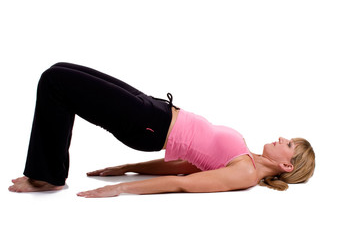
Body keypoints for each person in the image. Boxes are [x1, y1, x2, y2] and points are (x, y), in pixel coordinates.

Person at [8, 62, 316, 198]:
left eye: (287, 143)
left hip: (149, 126)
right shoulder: (244, 156)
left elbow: (182, 183)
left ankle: (47, 176)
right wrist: (127, 169)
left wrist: (122, 189)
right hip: (155, 110)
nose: (280, 138)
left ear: (286, 165)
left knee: (55, 81)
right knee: (61, 69)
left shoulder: (245, 174)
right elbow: (185, 164)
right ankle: (48, 172)